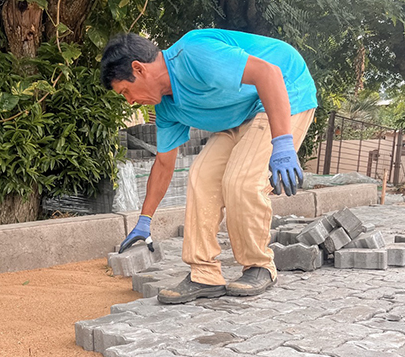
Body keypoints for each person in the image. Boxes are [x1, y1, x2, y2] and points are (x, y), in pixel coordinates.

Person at [101, 29, 317, 304]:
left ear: (139, 69)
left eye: (126, 91)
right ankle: (204, 275)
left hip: (284, 91)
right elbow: (164, 164)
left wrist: (283, 144)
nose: (130, 101)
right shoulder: (167, 108)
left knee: (242, 181)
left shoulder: (194, 54)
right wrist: (145, 220)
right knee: (200, 177)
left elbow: (268, 74)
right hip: (239, 114)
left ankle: (259, 266)